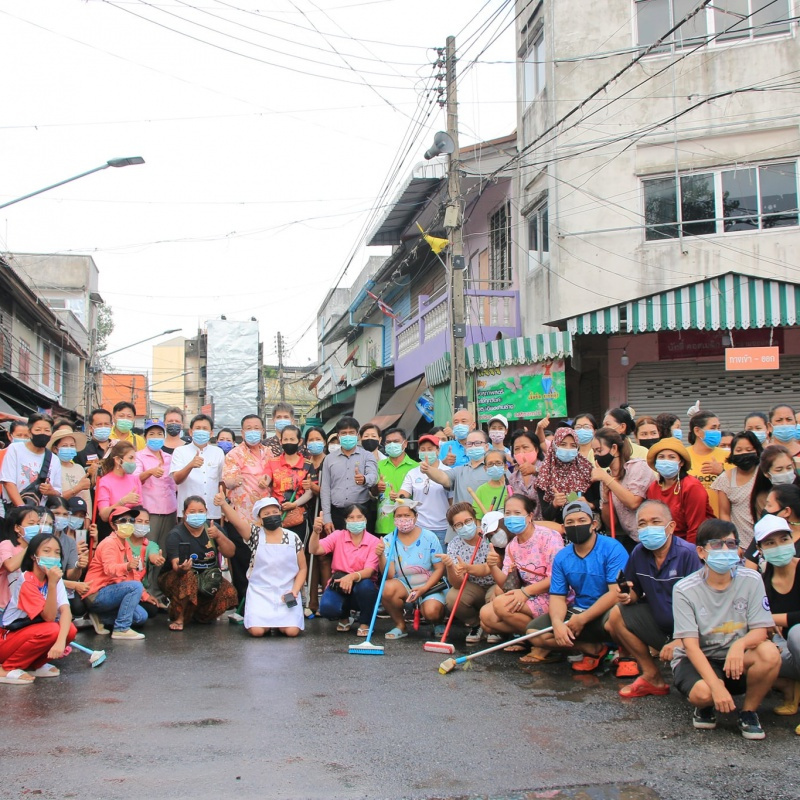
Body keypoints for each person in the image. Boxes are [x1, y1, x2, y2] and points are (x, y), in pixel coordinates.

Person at [670, 519, 781, 740]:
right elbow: (690, 646)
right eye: (717, 545)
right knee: (704, 693)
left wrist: (739, 645)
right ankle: (707, 705)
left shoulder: (752, 579)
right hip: (701, 657)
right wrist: (715, 687)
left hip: (736, 658)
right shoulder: (684, 589)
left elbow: (762, 629)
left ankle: (748, 712)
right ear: (701, 552)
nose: (725, 550)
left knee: (770, 654)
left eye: (731, 544)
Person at [606, 500, 702, 697]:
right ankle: (652, 675)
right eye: (642, 524)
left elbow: (703, 607)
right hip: (660, 625)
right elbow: (634, 592)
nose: (648, 528)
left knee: (699, 690)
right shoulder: (639, 553)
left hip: (694, 633)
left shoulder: (688, 555)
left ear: (671, 526)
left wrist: (681, 640)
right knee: (616, 615)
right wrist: (626, 595)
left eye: (655, 522)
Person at [526, 500, 629, 671]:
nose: (576, 525)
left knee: (617, 617)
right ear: (564, 529)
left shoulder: (612, 548)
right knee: (535, 633)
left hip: (608, 611)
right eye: (570, 522)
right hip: (579, 612)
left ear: (593, 524)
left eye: (582, 521)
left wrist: (583, 619)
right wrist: (558, 623)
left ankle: (627, 655)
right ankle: (593, 650)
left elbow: (614, 593)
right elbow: (558, 597)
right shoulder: (562, 557)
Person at [480, 495, 564, 655]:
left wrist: (525, 593)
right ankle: (534, 639)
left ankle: (543, 643)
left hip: (552, 594)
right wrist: (492, 566)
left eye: (517, 513)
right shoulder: (512, 546)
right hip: (526, 595)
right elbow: (507, 584)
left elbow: (557, 578)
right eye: (508, 513)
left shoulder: (548, 537)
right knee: (487, 615)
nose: (512, 518)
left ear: (530, 516)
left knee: (500, 605)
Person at [0, 533, 75, 684]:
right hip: (7, 638)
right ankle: (7, 668)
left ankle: (34, 665)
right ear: (34, 556)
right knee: (52, 629)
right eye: (46, 551)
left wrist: (61, 642)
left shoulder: (53, 576)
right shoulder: (27, 580)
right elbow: (49, 616)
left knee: (70, 630)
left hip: (30, 633)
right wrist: (52, 585)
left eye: (57, 552)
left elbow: (66, 611)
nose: (53, 556)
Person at [159, 496, 238, 631]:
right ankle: (179, 618)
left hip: (207, 577)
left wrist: (219, 536)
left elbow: (230, 553)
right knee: (188, 578)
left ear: (206, 512)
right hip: (178, 577)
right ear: (184, 514)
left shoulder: (213, 528)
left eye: (201, 511)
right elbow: (175, 564)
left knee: (230, 593)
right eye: (192, 511)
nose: (197, 515)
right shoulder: (176, 534)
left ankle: (201, 615)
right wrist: (182, 568)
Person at [752, 515, 800, 729]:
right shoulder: (761, 582)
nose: (778, 546)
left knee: (797, 634)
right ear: (760, 549)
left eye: (783, 539)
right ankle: (792, 688)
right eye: (770, 543)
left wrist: (772, 619)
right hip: (785, 649)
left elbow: (766, 618)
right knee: (760, 650)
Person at [310, 503, 381, 637]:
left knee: (366, 587)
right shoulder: (338, 535)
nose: (355, 521)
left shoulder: (373, 541)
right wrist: (315, 532)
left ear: (365, 519)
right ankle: (344, 617)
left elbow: (369, 571)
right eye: (351, 517)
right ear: (345, 520)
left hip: (362, 583)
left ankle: (365, 622)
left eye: (359, 517)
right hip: (340, 582)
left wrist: (351, 577)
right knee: (327, 608)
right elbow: (314, 549)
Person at [79, 506, 149, 639]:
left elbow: (132, 574)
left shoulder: (125, 543)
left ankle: (100, 617)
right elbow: (109, 569)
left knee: (141, 617)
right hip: (97, 593)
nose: (128, 524)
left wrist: (145, 596)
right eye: (123, 521)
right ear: (112, 525)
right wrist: (127, 566)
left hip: (112, 592)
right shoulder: (109, 543)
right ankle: (121, 629)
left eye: (131, 520)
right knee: (135, 586)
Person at [241, 498, 307, 637]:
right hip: (260, 592)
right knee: (257, 632)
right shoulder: (255, 535)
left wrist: (295, 591)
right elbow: (237, 523)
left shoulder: (292, 537)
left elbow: (302, 568)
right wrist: (223, 504)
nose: (271, 516)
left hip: (287, 591)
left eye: (275, 512)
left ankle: (280, 624)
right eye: (266, 514)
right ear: (259, 518)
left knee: (291, 632)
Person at [379, 502, 445, 639]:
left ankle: (437, 622)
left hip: (429, 585)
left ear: (416, 516)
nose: (403, 519)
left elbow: (439, 568)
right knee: (386, 588)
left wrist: (424, 588)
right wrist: (380, 555)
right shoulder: (388, 540)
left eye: (407, 515)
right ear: (394, 518)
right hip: (403, 585)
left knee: (432, 612)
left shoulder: (430, 537)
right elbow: (389, 574)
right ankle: (400, 625)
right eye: (399, 516)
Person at [133, 419, 177, 595]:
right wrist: (150, 472)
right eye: (152, 434)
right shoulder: (139, 456)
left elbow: (173, 484)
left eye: (159, 434)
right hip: (149, 510)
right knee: (147, 548)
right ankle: (144, 588)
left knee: (163, 551)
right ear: (145, 437)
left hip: (169, 508)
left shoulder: (168, 457)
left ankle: (156, 591)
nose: (156, 437)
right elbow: (135, 480)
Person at [592, 427, 653, 551]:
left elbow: (633, 502)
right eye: (594, 451)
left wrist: (607, 479)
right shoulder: (606, 477)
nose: (596, 455)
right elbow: (611, 524)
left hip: (651, 536)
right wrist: (605, 500)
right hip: (632, 540)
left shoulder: (637, 467)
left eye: (599, 450)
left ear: (614, 448)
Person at [439, 502, 493, 644]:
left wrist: (468, 568)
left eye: (468, 521)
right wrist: (450, 567)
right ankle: (477, 625)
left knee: (495, 595)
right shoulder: (454, 544)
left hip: (495, 584)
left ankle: (494, 627)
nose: (465, 526)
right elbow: (457, 583)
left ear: (475, 520)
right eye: (458, 525)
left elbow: (492, 567)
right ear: (454, 528)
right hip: (473, 588)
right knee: (452, 597)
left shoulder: (489, 536)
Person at [645, 437, 713, 544]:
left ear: (681, 463)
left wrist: (689, 554)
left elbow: (695, 528)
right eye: (661, 457)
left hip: (693, 544)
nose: (666, 461)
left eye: (671, 457)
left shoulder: (691, 487)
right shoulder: (653, 488)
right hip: (665, 544)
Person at [424, 431, 492, 531]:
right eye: (469, 444)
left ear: (486, 447)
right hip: (461, 529)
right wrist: (428, 470)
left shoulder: (495, 470)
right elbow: (443, 477)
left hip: (488, 528)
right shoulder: (459, 470)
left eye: (477, 443)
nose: (473, 446)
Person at [320, 417, 378, 533]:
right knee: (338, 549)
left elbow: (373, 477)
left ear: (357, 435)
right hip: (337, 513)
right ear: (338, 436)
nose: (348, 436)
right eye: (344, 433)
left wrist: (364, 479)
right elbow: (325, 489)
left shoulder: (367, 456)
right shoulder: (329, 459)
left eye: (351, 433)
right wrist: (327, 518)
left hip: (361, 512)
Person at [533, 427, 597, 524]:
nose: (568, 449)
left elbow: (601, 502)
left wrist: (590, 505)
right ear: (554, 446)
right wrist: (554, 504)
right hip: (561, 530)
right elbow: (546, 515)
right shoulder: (545, 475)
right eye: (563, 444)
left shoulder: (587, 470)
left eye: (573, 445)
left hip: (587, 527)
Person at [169, 414, 226, 523]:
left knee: (211, 539)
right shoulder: (180, 451)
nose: (201, 431)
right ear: (191, 432)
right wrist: (190, 465)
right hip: (188, 512)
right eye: (198, 428)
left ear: (211, 433)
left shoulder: (218, 452)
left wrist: (222, 508)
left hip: (212, 512)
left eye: (205, 429)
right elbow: (177, 479)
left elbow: (221, 482)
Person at [399, 434, 451, 549]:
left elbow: (453, 501)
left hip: (443, 528)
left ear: (438, 451)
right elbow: (403, 494)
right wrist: (398, 497)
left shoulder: (448, 472)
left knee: (442, 563)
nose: (426, 452)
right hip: (419, 527)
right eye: (422, 450)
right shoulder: (412, 473)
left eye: (430, 449)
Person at [1, 413, 61, 510]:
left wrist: (51, 491)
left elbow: (58, 492)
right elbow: (8, 482)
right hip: (15, 510)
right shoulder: (15, 449)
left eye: (47, 430)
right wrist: (23, 510)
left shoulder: (54, 459)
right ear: (30, 432)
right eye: (38, 430)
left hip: (39, 512)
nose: (42, 433)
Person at [712, 431, 762, 548]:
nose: (744, 453)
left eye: (749, 450)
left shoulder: (764, 475)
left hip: (765, 539)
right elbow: (724, 514)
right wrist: (732, 542)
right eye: (739, 450)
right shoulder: (725, 479)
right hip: (741, 543)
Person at [264, 425, 313, 539]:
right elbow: (267, 478)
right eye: (285, 439)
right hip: (276, 518)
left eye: (292, 439)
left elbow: (309, 492)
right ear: (281, 441)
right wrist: (264, 481)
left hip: (299, 519)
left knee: (297, 553)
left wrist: (294, 504)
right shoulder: (272, 462)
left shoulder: (307, 464)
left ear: (299, 441)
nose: (288, 442)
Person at [222, 414, 273, 521]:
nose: (253, 431)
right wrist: (235, 481)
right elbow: (228, 482)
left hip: (268, 511)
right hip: (244, 514)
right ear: (242, 433)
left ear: (263, 431)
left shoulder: (269, 452)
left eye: (256, 428)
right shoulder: (234, 454)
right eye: (249, 428)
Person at [744, 484, 800, 571]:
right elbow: (749, 570)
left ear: (786, 511)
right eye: (770, 543)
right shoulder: (763, 533)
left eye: (769, 505)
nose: (765, 509)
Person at [373, 427, 418, 536]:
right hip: (383, 524)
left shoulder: (416, 467)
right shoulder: (378, 466)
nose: (392, 444)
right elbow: (372, 493)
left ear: (405, 444)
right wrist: (376, 488)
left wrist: (401, 498)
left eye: (396, 441)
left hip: (408, 524)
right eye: (388, 442)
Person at [302, 426, 327, 616]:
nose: (314, 443)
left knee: (324, 556)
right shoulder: (304, 464)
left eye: (318, 439)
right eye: (311, 439)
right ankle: (312, 603)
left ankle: (327, 600)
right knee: (309, 557)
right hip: (306, 514)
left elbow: (329, 491)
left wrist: (314, 487)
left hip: (324, 513)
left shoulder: (329, 463)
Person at [686, 410, 731, 517]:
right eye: (713, 428)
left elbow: (737, 490)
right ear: (697, 431)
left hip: (721, 522)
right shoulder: (683, 455)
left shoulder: (728, 456)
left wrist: (722, 473)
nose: (717, 432)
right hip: (692, 522)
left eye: (718, 428)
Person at [0, 507, 44, 612]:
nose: (36, 527)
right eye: (31, 523)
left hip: (29, 606)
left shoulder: (40, 549)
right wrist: (31, 546)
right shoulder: (7, 544)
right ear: (17, 528)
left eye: (38, 523)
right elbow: (10, 566)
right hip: (5, 607)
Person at [95, 442, 142, 540]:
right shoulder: (105, 481)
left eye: (134, 459)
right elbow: (103, 515)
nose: (133, 462)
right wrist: (122, 502)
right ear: (117, 460)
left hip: (132, 533)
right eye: (130, 458)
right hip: (111, 533)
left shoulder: (135, 479)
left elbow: (140, 509)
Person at [749, 444, 800, 525]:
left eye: (789, 468)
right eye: (779, 470)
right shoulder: (762, 498)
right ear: (766, 473)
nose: (786, 473)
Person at [128, 507, 166, 613]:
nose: (143, 525)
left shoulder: (151, 545)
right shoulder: (122, 541)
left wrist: (156, 559)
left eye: (146, 522)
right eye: (139, 521)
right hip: (121, 586)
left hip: (140, 591)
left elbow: (153, 554)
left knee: (152, 610)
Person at [49, 427, 90, 515]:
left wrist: (87, 518)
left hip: (79, 515)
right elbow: (55, 497)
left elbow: (86, 498)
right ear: (55, 449)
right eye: (64, 446)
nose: (69, 448)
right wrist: (78, 488)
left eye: (72, 446)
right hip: (60, 515)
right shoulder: (52, 468)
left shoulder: (79, 468)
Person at [507, 430, 543, 519]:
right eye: (517, 449)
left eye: (525, 447)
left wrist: (535, 470)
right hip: (523, 527)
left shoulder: (547, 468)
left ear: (536, 449)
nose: (521, 452)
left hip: (546, 526)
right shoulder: (513, 478)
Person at [472, 448, 509, 521]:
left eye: (498, 463)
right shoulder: (481, 490)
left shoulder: (513, 488)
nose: (494, 467)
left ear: (505, 467)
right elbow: (478, 518)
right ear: (485, 468)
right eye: (490, 464)